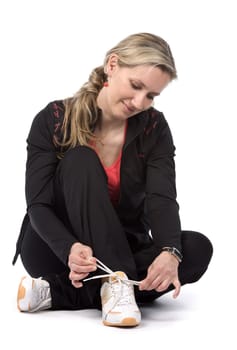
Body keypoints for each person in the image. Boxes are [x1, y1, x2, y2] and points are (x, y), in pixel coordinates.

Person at [13, 32, 213, 327]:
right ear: (112, 65)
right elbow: (38, 205)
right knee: (80, 159)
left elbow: (161, 199)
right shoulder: (54, 118)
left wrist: (170, 252)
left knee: (194, 249)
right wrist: (69, 248)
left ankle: (57, 292)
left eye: (151, 95)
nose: (140, 102)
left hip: (120, 241)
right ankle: (116, 285)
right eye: (136, 86)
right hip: (57, 250)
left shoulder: (153, 128)